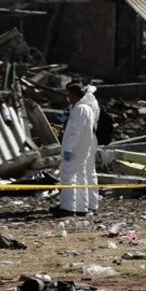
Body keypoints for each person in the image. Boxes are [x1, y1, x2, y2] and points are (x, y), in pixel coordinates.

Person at [56, 83, 97, 217]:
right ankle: (81, 207)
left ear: (73, 95)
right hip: (82, 148)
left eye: (69, 94)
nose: (67, 97)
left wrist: (68, 148)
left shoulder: (80, 109)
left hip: (75, 149)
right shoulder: (86, 108)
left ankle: (68, 208)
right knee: (81, 176)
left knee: (68, 176)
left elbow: (75, 132)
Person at [76, 84, 102, 214]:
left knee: (83, 172)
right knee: (89, 172)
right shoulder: (92, 101)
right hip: (91, 138)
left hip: (86, 139)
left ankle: (82, 204)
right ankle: (91, 203)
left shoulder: (85, 104)